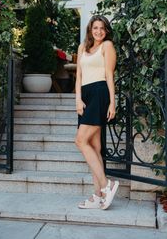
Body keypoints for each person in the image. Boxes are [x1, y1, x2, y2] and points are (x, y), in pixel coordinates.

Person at [75, 14, 119, 210]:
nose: (99, 31)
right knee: (94, 146)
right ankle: (98, 196)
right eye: (95, 28)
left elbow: (109, 74)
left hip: (100, 93)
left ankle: (106, 184)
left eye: (102, 28)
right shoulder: (82, 47)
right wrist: (77, 98)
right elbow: (79, 76)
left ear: (106, 30)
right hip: (85, 96)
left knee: (80, 140)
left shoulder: (107, 46)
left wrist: (112, 102)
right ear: (90, 30)